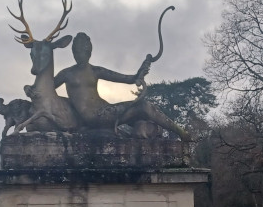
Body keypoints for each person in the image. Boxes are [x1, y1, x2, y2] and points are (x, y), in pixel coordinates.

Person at [51, 31, 190, 141]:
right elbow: (47, 89)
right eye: (77, 50)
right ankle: (180, 132)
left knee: (142, 111)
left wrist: (140, 72)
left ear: (89, 52)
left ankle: (176, 132)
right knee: (143, 106)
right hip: (96, 117)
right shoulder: (67, 73)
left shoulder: (95, 71)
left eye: (83, 50)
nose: (79, 53)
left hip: (105, 111)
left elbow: (128, 79)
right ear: (73, 52)